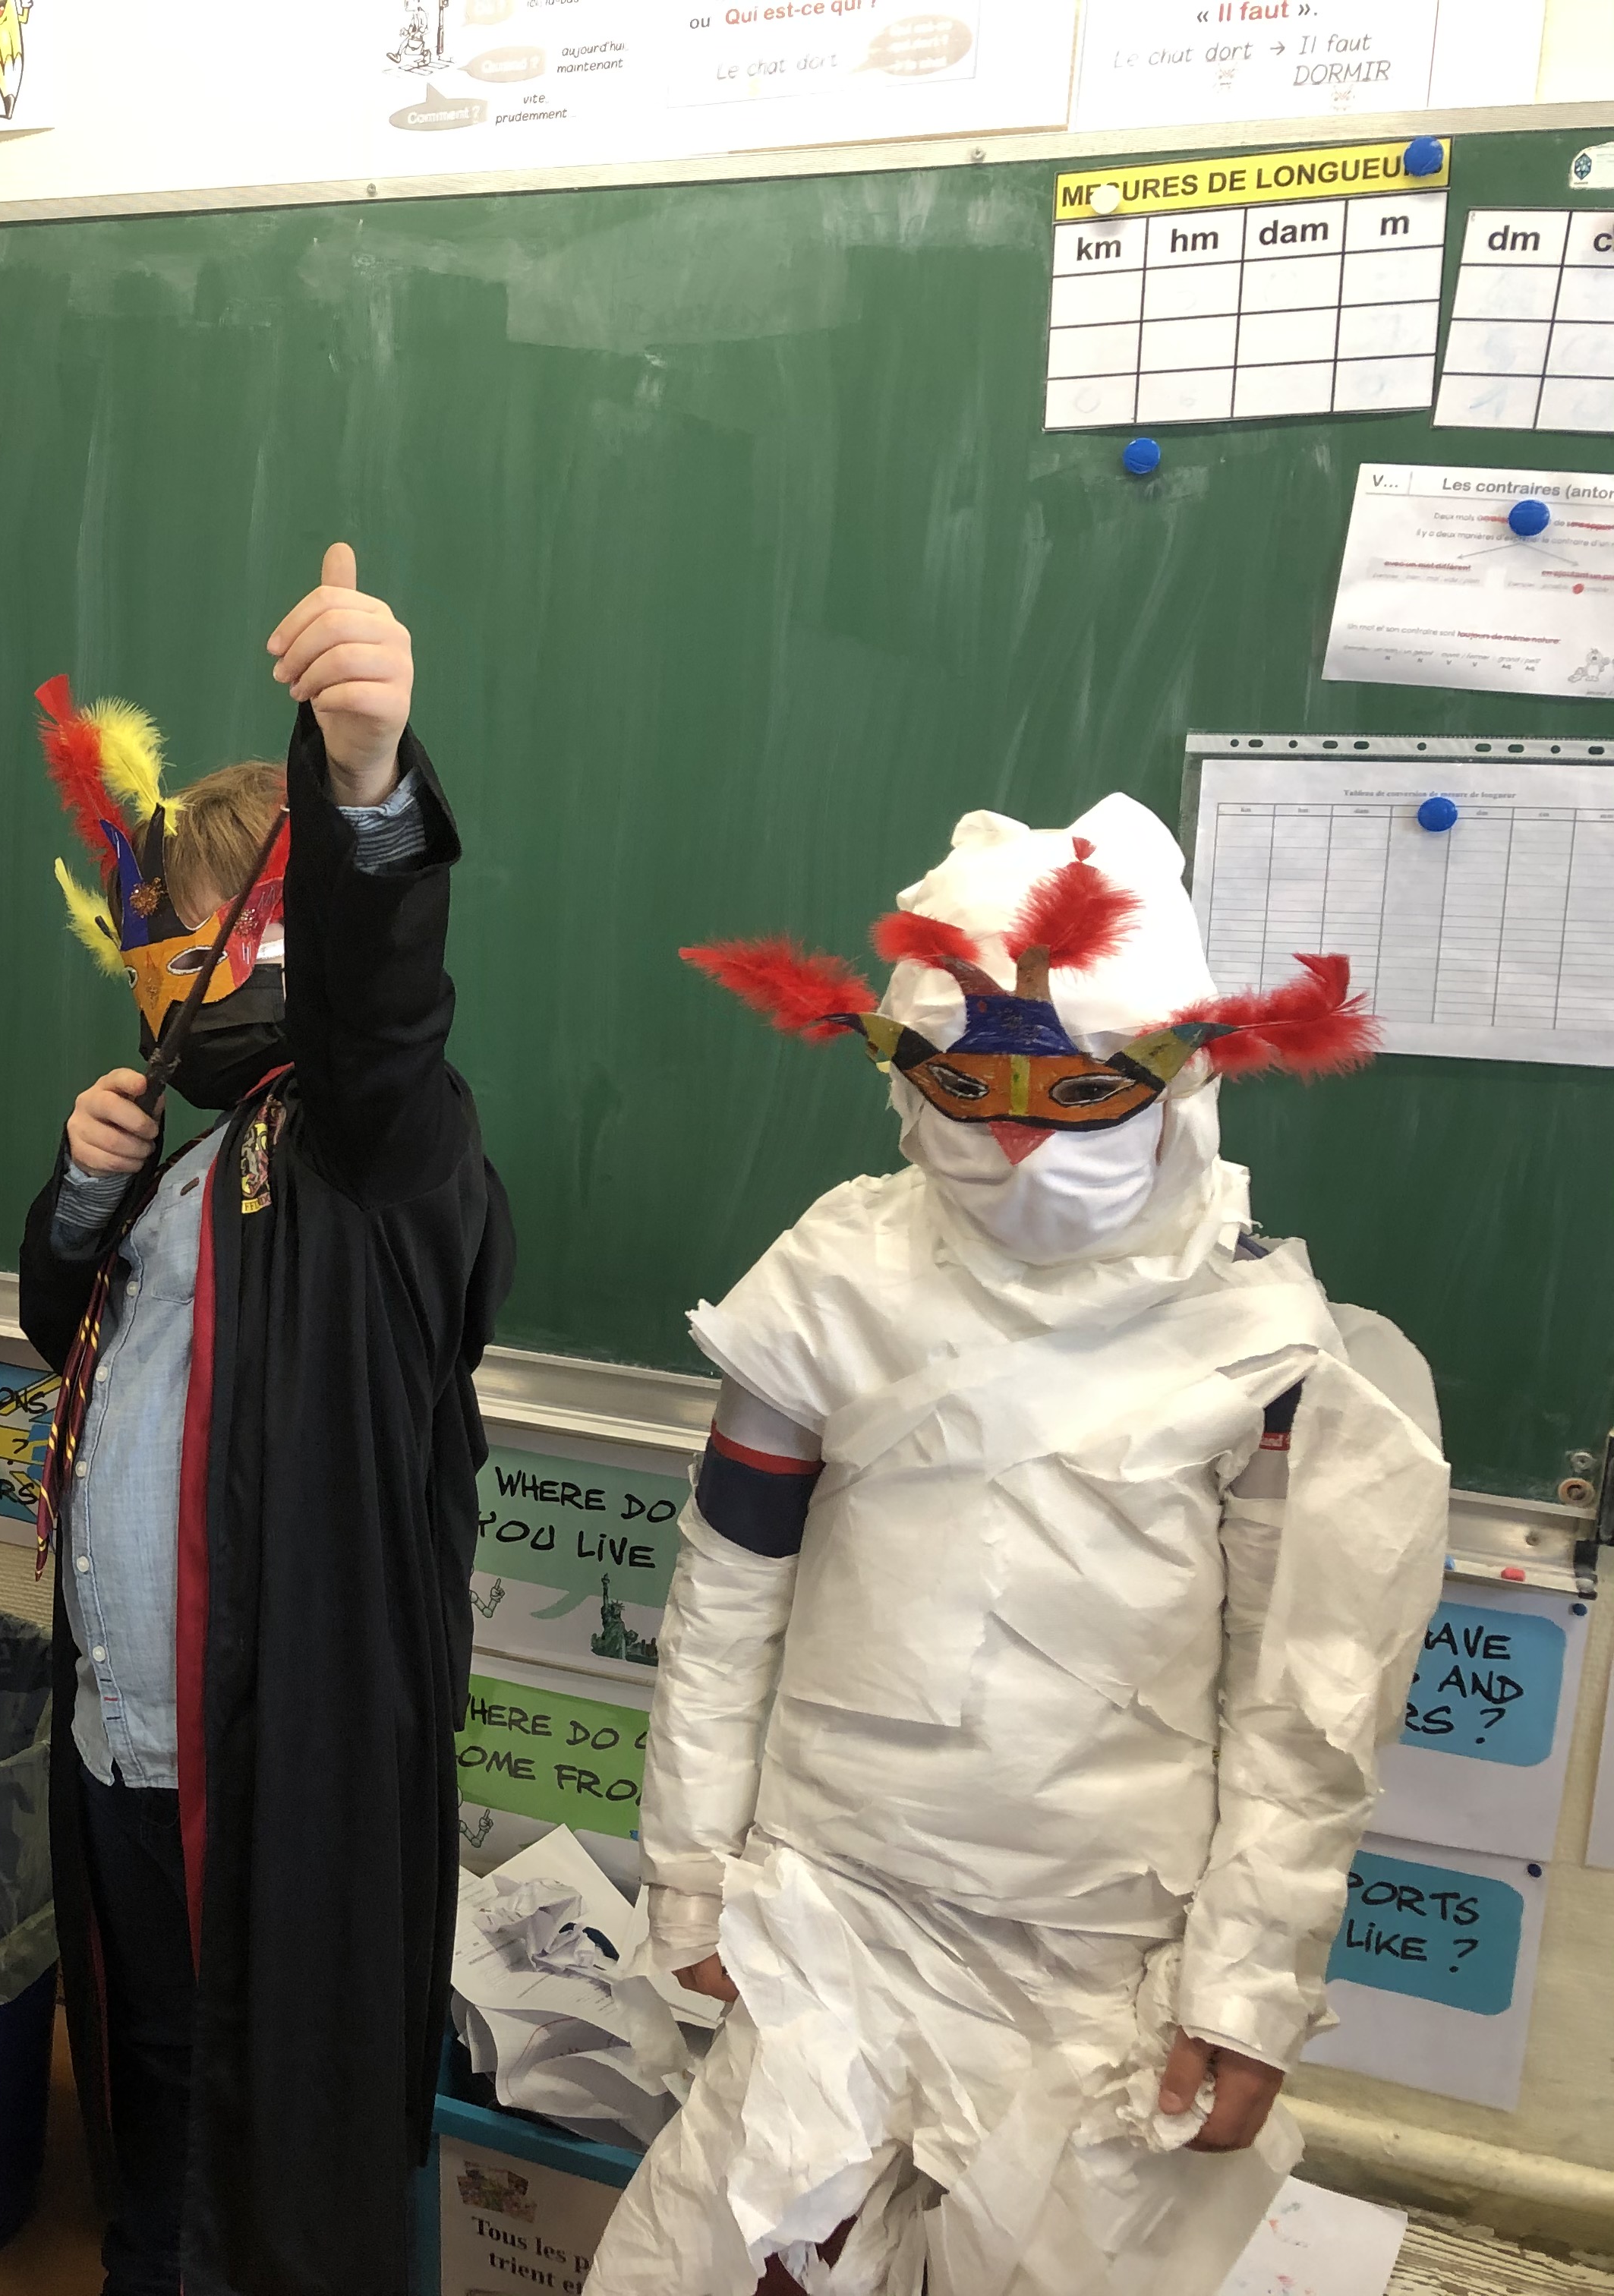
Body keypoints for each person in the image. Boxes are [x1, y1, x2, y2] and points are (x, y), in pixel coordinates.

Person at [586, 798, 1451, 2296]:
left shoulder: (1269, 1348)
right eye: (971, 1084)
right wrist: (688, 1870)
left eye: (1080, 1090)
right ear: (904, 1068)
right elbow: (729, 1589)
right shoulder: (832, 1280)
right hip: (832, 1911)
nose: (1021, 1139)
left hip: (1102, 1957)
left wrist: (1247, 1986)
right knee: (724, 2266)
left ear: (1181, 1074)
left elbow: (1299, 1703)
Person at [19, 544, 515, 2296]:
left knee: (286, 2134)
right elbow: (74, 1344)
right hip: (124, 1749)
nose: (194, 973)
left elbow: (384, 1009)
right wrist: (83, 1207)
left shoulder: (383, 1144)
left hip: (282, 1757)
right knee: (151, 2090)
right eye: (169, 935)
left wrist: (366, 784)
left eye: (236, 928)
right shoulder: (188, 1156)